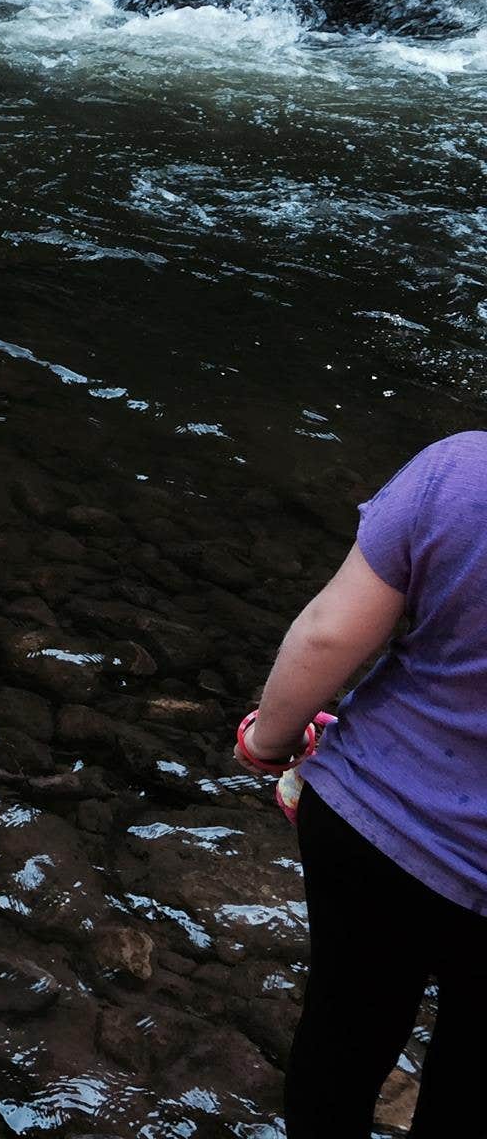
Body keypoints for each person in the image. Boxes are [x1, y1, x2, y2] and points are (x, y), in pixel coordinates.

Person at [236, 432, 487, 1136]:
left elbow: (327, 634)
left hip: (373, 825)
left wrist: (268, 744)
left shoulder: (462, 470)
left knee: (343, 1035)